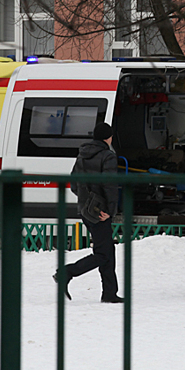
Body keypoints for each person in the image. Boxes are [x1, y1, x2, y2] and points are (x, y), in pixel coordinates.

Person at [54, 122, 124, 303]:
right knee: (102, 253)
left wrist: (87, 201)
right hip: (101, 213)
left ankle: (109, 292)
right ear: (108, 138)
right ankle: (67, 272)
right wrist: (108, 210)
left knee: (107, 249)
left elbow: (74, 184)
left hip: (86, 211)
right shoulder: (108, 156)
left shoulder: (82, 154)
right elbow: (109, 186)